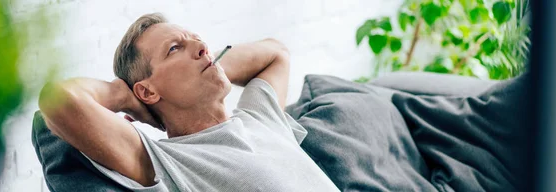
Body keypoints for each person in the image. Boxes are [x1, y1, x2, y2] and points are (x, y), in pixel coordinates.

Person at [38, 12, 340, 191]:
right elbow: (59, 101)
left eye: (196, 39)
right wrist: (122, 96)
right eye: (174, 49)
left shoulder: (261, 116)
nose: (201, 46)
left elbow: (276, 53)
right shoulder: (167, 161)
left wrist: (209, 66)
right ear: (147, 91)